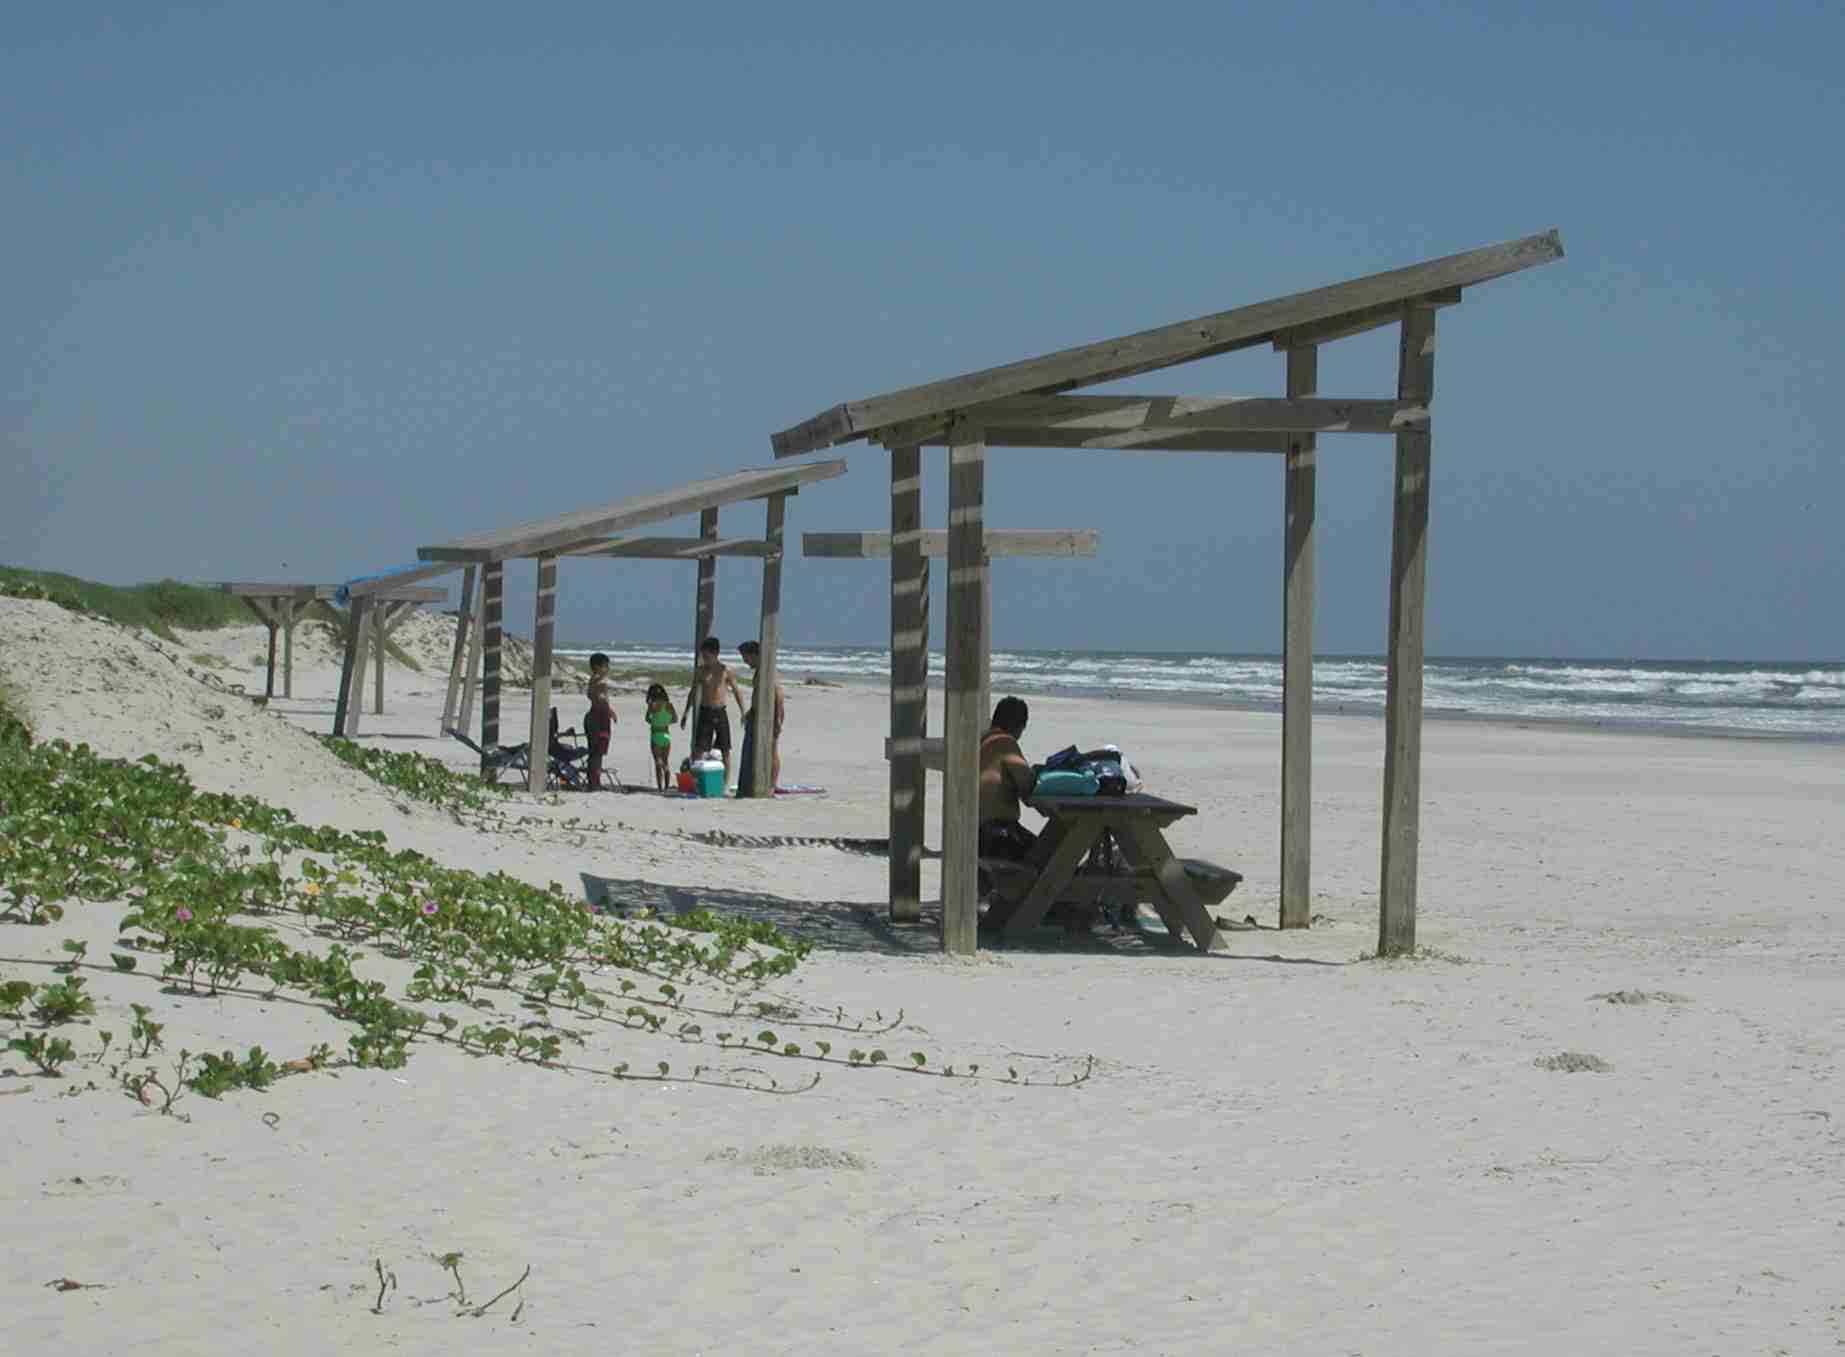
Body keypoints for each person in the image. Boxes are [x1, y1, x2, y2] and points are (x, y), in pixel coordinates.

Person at [681, 636, 746, 792]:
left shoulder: (725, 670)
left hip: (720, 711)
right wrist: (686, 712)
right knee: (698, 750)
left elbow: (737, 691)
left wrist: (743, 711)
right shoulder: (701, 671)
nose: (705, 659)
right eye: (703, 656)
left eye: (707, 656)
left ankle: (724, 784)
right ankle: (696, 782)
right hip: (705, 712)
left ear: (716, 654)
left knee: (725, 750)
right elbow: (693, 692)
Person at [978, 696, 1039, 862]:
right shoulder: (1004, 741)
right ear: (1020, 726)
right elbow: (1028, 785)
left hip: (976, 832)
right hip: (997, 834)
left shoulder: (983, 740)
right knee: (1049, 856)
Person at [735, 639, 784, 797]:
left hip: (771, 716)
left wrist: (777, 720)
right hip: (757, 714)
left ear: (754, 655)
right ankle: (756, 782)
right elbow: (758, 695)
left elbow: (779, 695)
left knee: (771, 750)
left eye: (746, 658)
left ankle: (771, 785)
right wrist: (750, 711)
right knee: (757, 750)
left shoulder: (768, 671)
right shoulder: (759, 671)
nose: (745, 662)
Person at [583, 652, 616, 791]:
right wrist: (610, 711)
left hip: (593, 717)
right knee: (597, 752)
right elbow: (601, 700)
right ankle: (594, 783)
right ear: (597, 667)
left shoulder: (593, 680)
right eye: (605, 666)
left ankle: (594, 781)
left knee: (594, 752)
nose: (607, 668)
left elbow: (593, 696)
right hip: (599, 718)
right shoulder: (599, 681)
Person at [643, 683, 678, 791]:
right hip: (666, 734)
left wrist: (655, 722)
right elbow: (675, 719)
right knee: (665, 761)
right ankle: (667, 787)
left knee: (658, 762)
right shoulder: (669, 705)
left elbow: (647, 719)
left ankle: (660, 788)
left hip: (655, 734)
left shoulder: (652, 705)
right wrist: (665, 722)